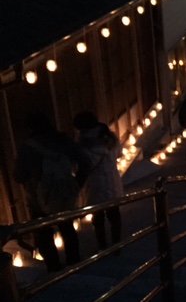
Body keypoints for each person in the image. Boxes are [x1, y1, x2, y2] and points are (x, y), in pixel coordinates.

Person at [13, 112, 91, 272]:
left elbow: (18, 176)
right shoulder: (63, 141)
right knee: (67, 228)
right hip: (64, 195)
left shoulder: (28, 148)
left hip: (39, 198)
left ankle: (54, 269)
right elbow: (86, 161)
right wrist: (77, 183)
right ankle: (74, 263)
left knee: (44, 234)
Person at [73, 111, 124, 252]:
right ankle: (117, 244)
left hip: (95, 184)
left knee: (98, 217)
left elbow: (81, 165)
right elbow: (119, 153)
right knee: (114, 214)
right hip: (112, 180)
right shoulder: (110, 137)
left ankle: (102, 247)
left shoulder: (83, 145)